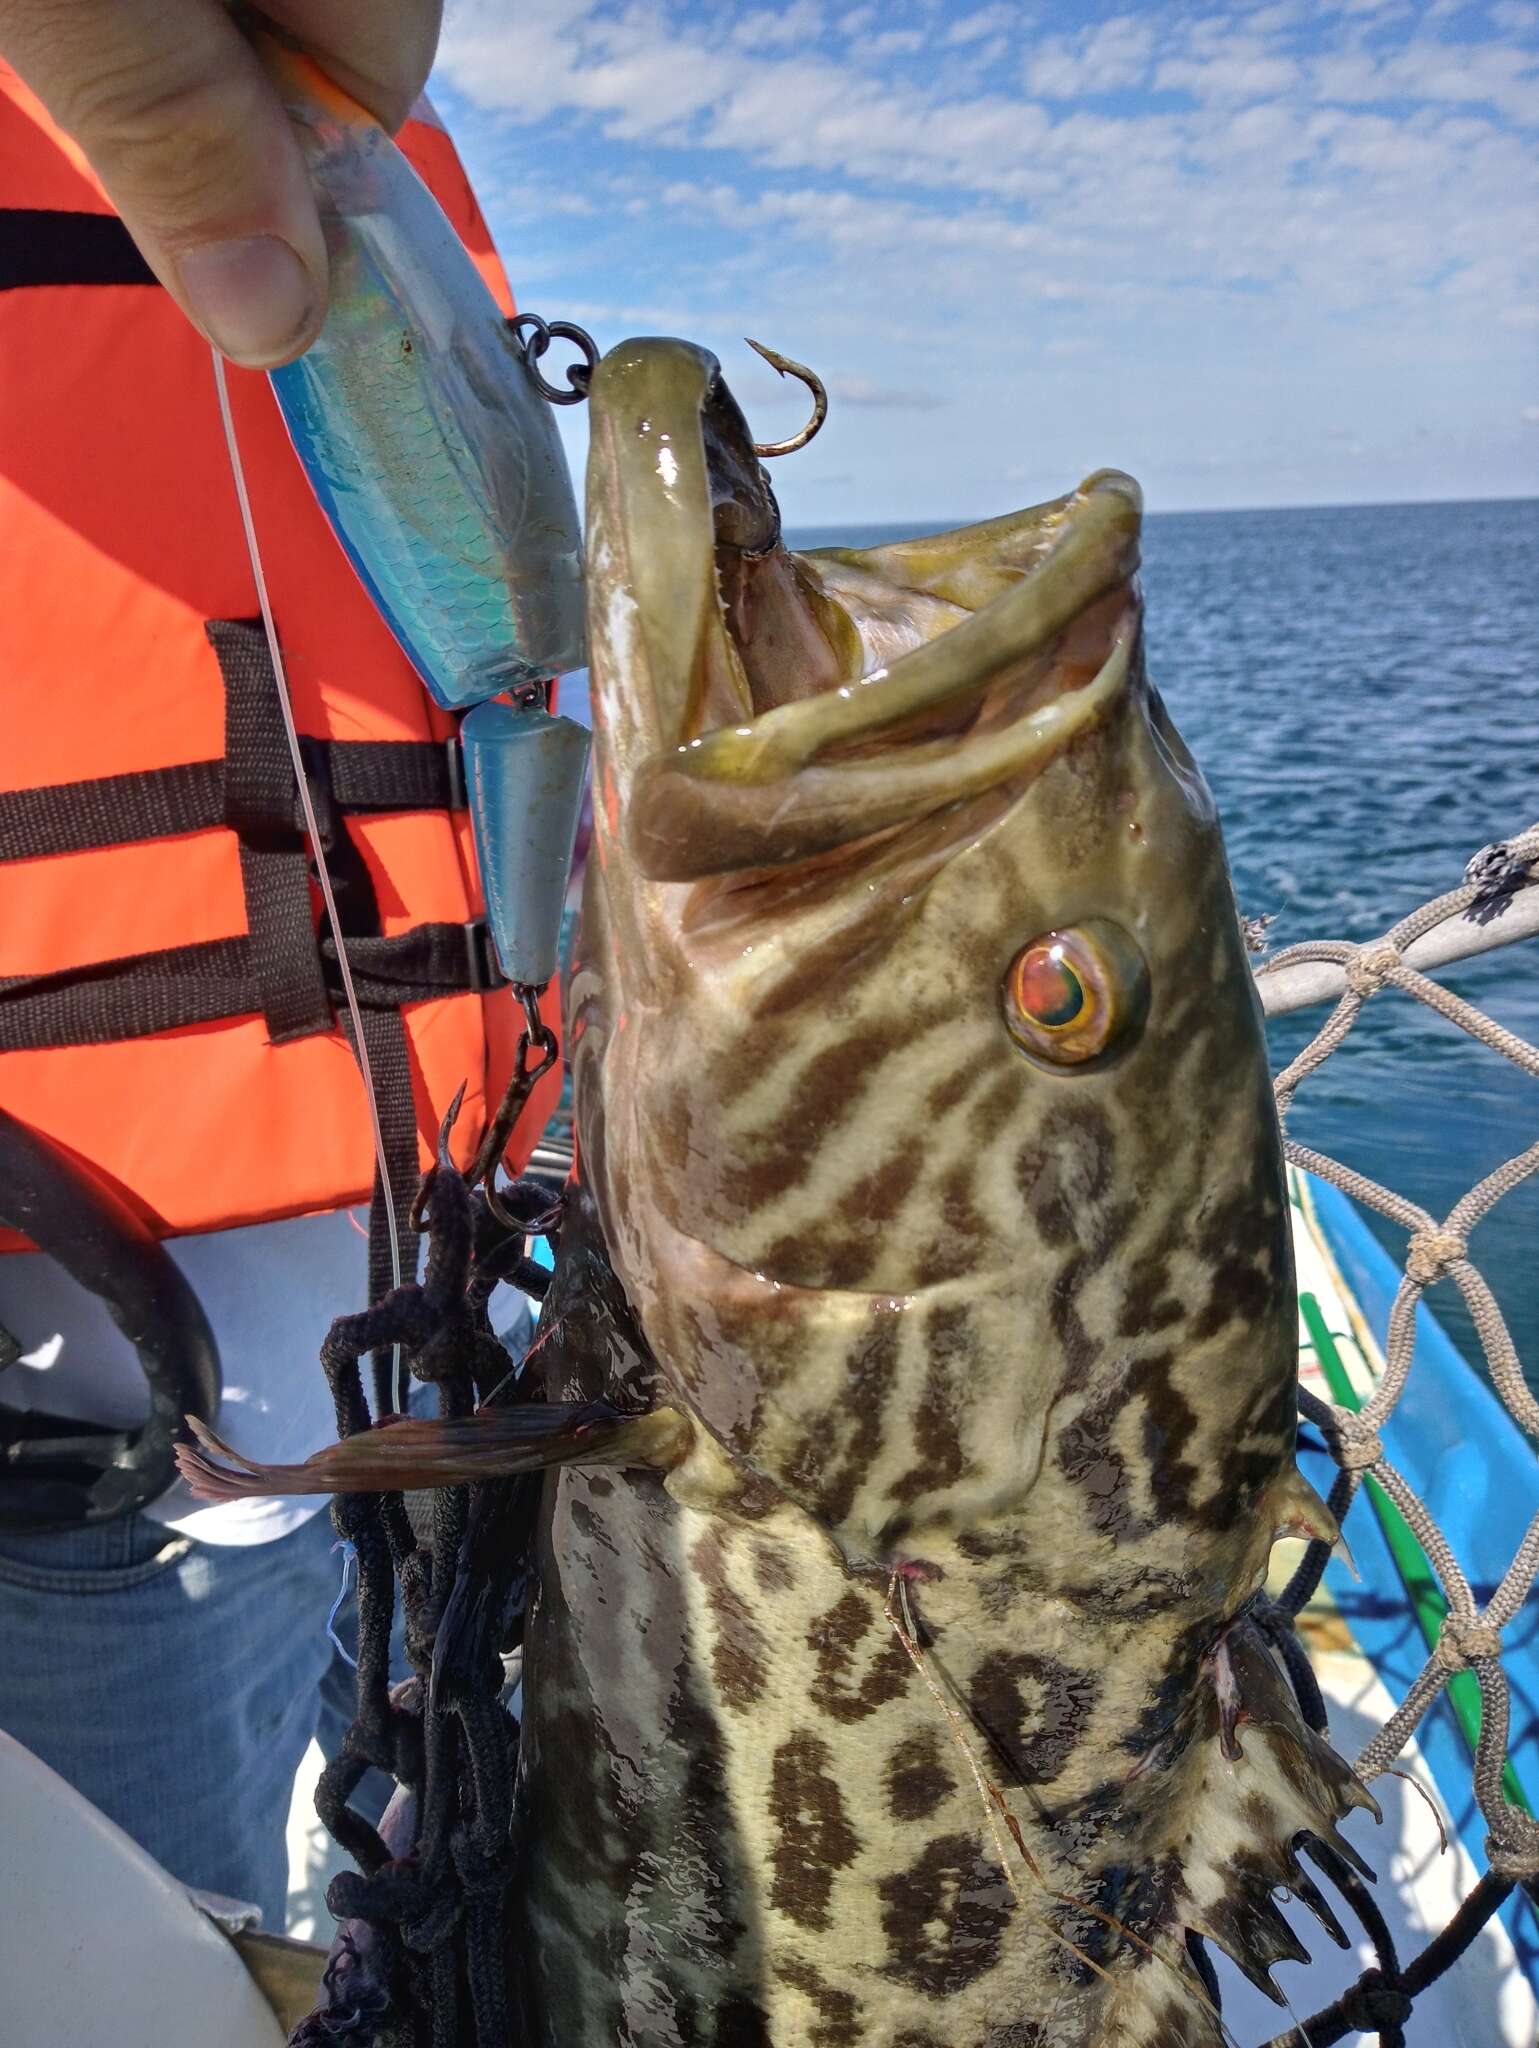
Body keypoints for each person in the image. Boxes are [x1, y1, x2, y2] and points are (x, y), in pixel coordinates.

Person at [0, 1, 559, 1931]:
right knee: (176, 1948)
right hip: (108, 1425)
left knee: (404, 1855)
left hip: (440, 1305)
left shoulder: (315, 100)